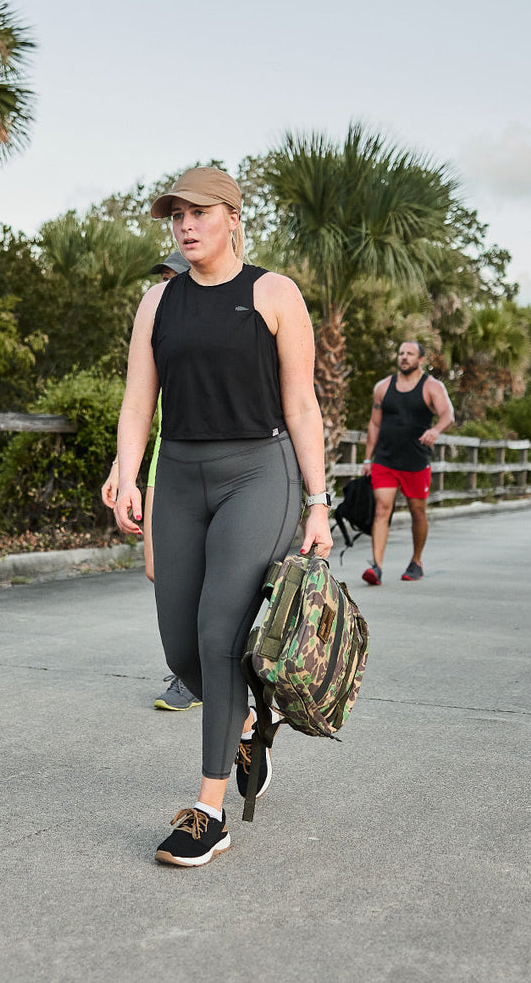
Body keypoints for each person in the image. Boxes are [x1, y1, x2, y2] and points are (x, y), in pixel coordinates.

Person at [113, 166, 332, 867]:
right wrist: (125, 471)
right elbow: (138, 402)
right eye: (176, 214)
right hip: (178, 477)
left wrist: (319, 500)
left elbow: (301, 404)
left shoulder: (273, 294)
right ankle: (243, 723)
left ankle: (209, 812)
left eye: (199, 212)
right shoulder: (158, 302)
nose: (184, 224)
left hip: (257, 475)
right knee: (180, 649)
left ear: (233, 217)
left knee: (216, 633)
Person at [100, 251, 201, 712]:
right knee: (158, 569)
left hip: (219, 466)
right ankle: (196, 666)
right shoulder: (161, 330)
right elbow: (141, 404)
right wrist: (123, 470)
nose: (163, 287)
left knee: (209, 577)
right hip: (165, 461)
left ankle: (194, 675)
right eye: (160, 279)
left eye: (170, 278)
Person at [361, 340, 454, 585]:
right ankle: (377, 566)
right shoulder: (383, 387)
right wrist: (367, 458)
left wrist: (435, 431)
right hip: (385, 459)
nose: (404, 357)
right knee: (382, 509)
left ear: (421, 359)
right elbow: (374, 423)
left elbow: (448, 415)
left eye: (410, 354)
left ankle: (416, 561)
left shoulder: (432, 386)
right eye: (401, 353)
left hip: (416, 460)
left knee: (417, 512)